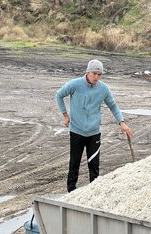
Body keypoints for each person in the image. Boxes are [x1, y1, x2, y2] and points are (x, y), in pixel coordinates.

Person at [56, 59, 134, 192]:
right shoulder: (75, 84)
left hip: (94, 133)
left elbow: (113, 106)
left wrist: (122, 122)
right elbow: (59, 95)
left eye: (99, 74)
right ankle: (71, 193)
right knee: (74, 164)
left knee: (94, 166)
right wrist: (65, 115)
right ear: (88, 72)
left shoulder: (103, 89)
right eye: (94, 74)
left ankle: (93, 194)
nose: (96, 77)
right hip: (76, 132)